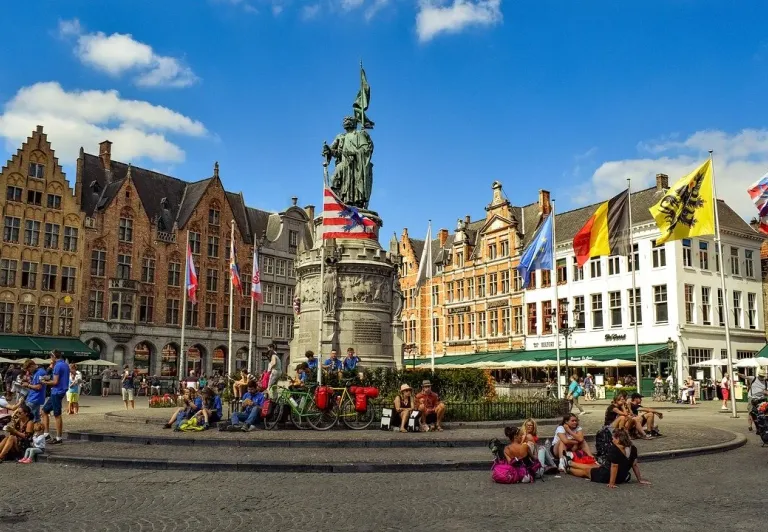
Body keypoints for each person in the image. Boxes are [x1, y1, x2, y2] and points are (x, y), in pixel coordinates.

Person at [567, 428, 651, 488]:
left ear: (618, 439)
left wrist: (611, 483)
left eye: (613, 437)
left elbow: (614, 466)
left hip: (606, 475)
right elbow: (634, 465)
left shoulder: (614, 449)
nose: (612, 439)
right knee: (593, 467)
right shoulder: (633, 448)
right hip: (621, 477)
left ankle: (569, 469)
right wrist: (639, 479)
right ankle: (570, 464)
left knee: (586, 472)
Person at [40, 350, 69, 445]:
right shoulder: (65, 365)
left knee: (57, 414)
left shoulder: (57, 366)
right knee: (44, 411)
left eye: (51, 357)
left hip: (57, 391)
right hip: (60, 391)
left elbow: (55, 382)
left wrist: (45, 382)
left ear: (53, 356)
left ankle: (58, 438)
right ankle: (46, 434)